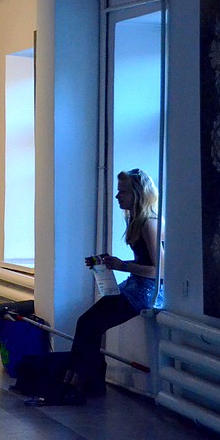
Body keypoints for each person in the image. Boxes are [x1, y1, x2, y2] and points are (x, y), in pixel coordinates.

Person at [64, 168, 163, 396]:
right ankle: (78, 379)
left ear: (137, 194)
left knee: (89, 323)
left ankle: (79, 381)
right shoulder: (137, 221)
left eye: (123, 192)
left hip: (144, 292)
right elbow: (145, 262)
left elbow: (159, 271)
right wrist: (110, 262)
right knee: (88, 324)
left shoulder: (149, 223)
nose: (118, 196)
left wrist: (122, 266)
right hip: (135, 286)